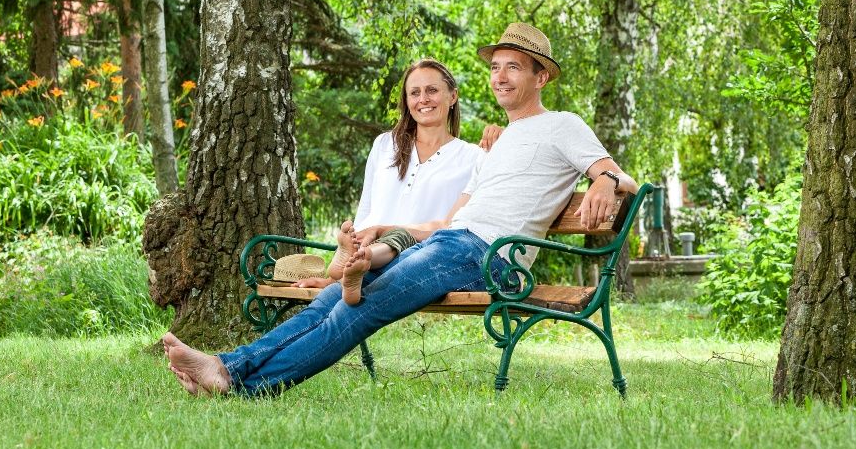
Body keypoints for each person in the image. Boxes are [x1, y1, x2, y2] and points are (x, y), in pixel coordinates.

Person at [163, 22, 639, 397]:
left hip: (492, 258)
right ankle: (228, 366)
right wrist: (391, 228)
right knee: (333, 300)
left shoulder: (562, 125)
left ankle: (240, 383)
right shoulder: (496, 145)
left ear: (541, 77)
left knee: (361, 306)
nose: (500, 76)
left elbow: (625, 181)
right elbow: (451, 221)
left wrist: (604, 179)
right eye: (496, 67)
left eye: (513, 67)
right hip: (452, 243)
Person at [295, 59, 486, 304]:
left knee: (338, 300)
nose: (423, 99)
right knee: (330, 304)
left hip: (418, 256)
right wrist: (347, 257)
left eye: (432, 90)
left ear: (453, 96)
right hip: (369, 254)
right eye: (414, 93)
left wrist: (498, 134)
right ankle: (349, 268)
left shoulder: (473, 157)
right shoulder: (386, 144)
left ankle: (350, 272)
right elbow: (366, 209)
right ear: (406, 101)